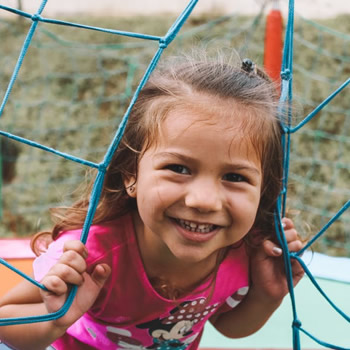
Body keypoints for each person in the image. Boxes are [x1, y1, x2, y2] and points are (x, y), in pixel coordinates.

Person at [0, 53, 304, 350]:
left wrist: (266, 295)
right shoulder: (88, 253)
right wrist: (55, 319)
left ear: (263, 190)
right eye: (179, 169)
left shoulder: (245, 250)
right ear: (131, 173)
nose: (204, 201)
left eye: (235, 177)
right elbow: (5, 321)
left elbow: (227, 326)